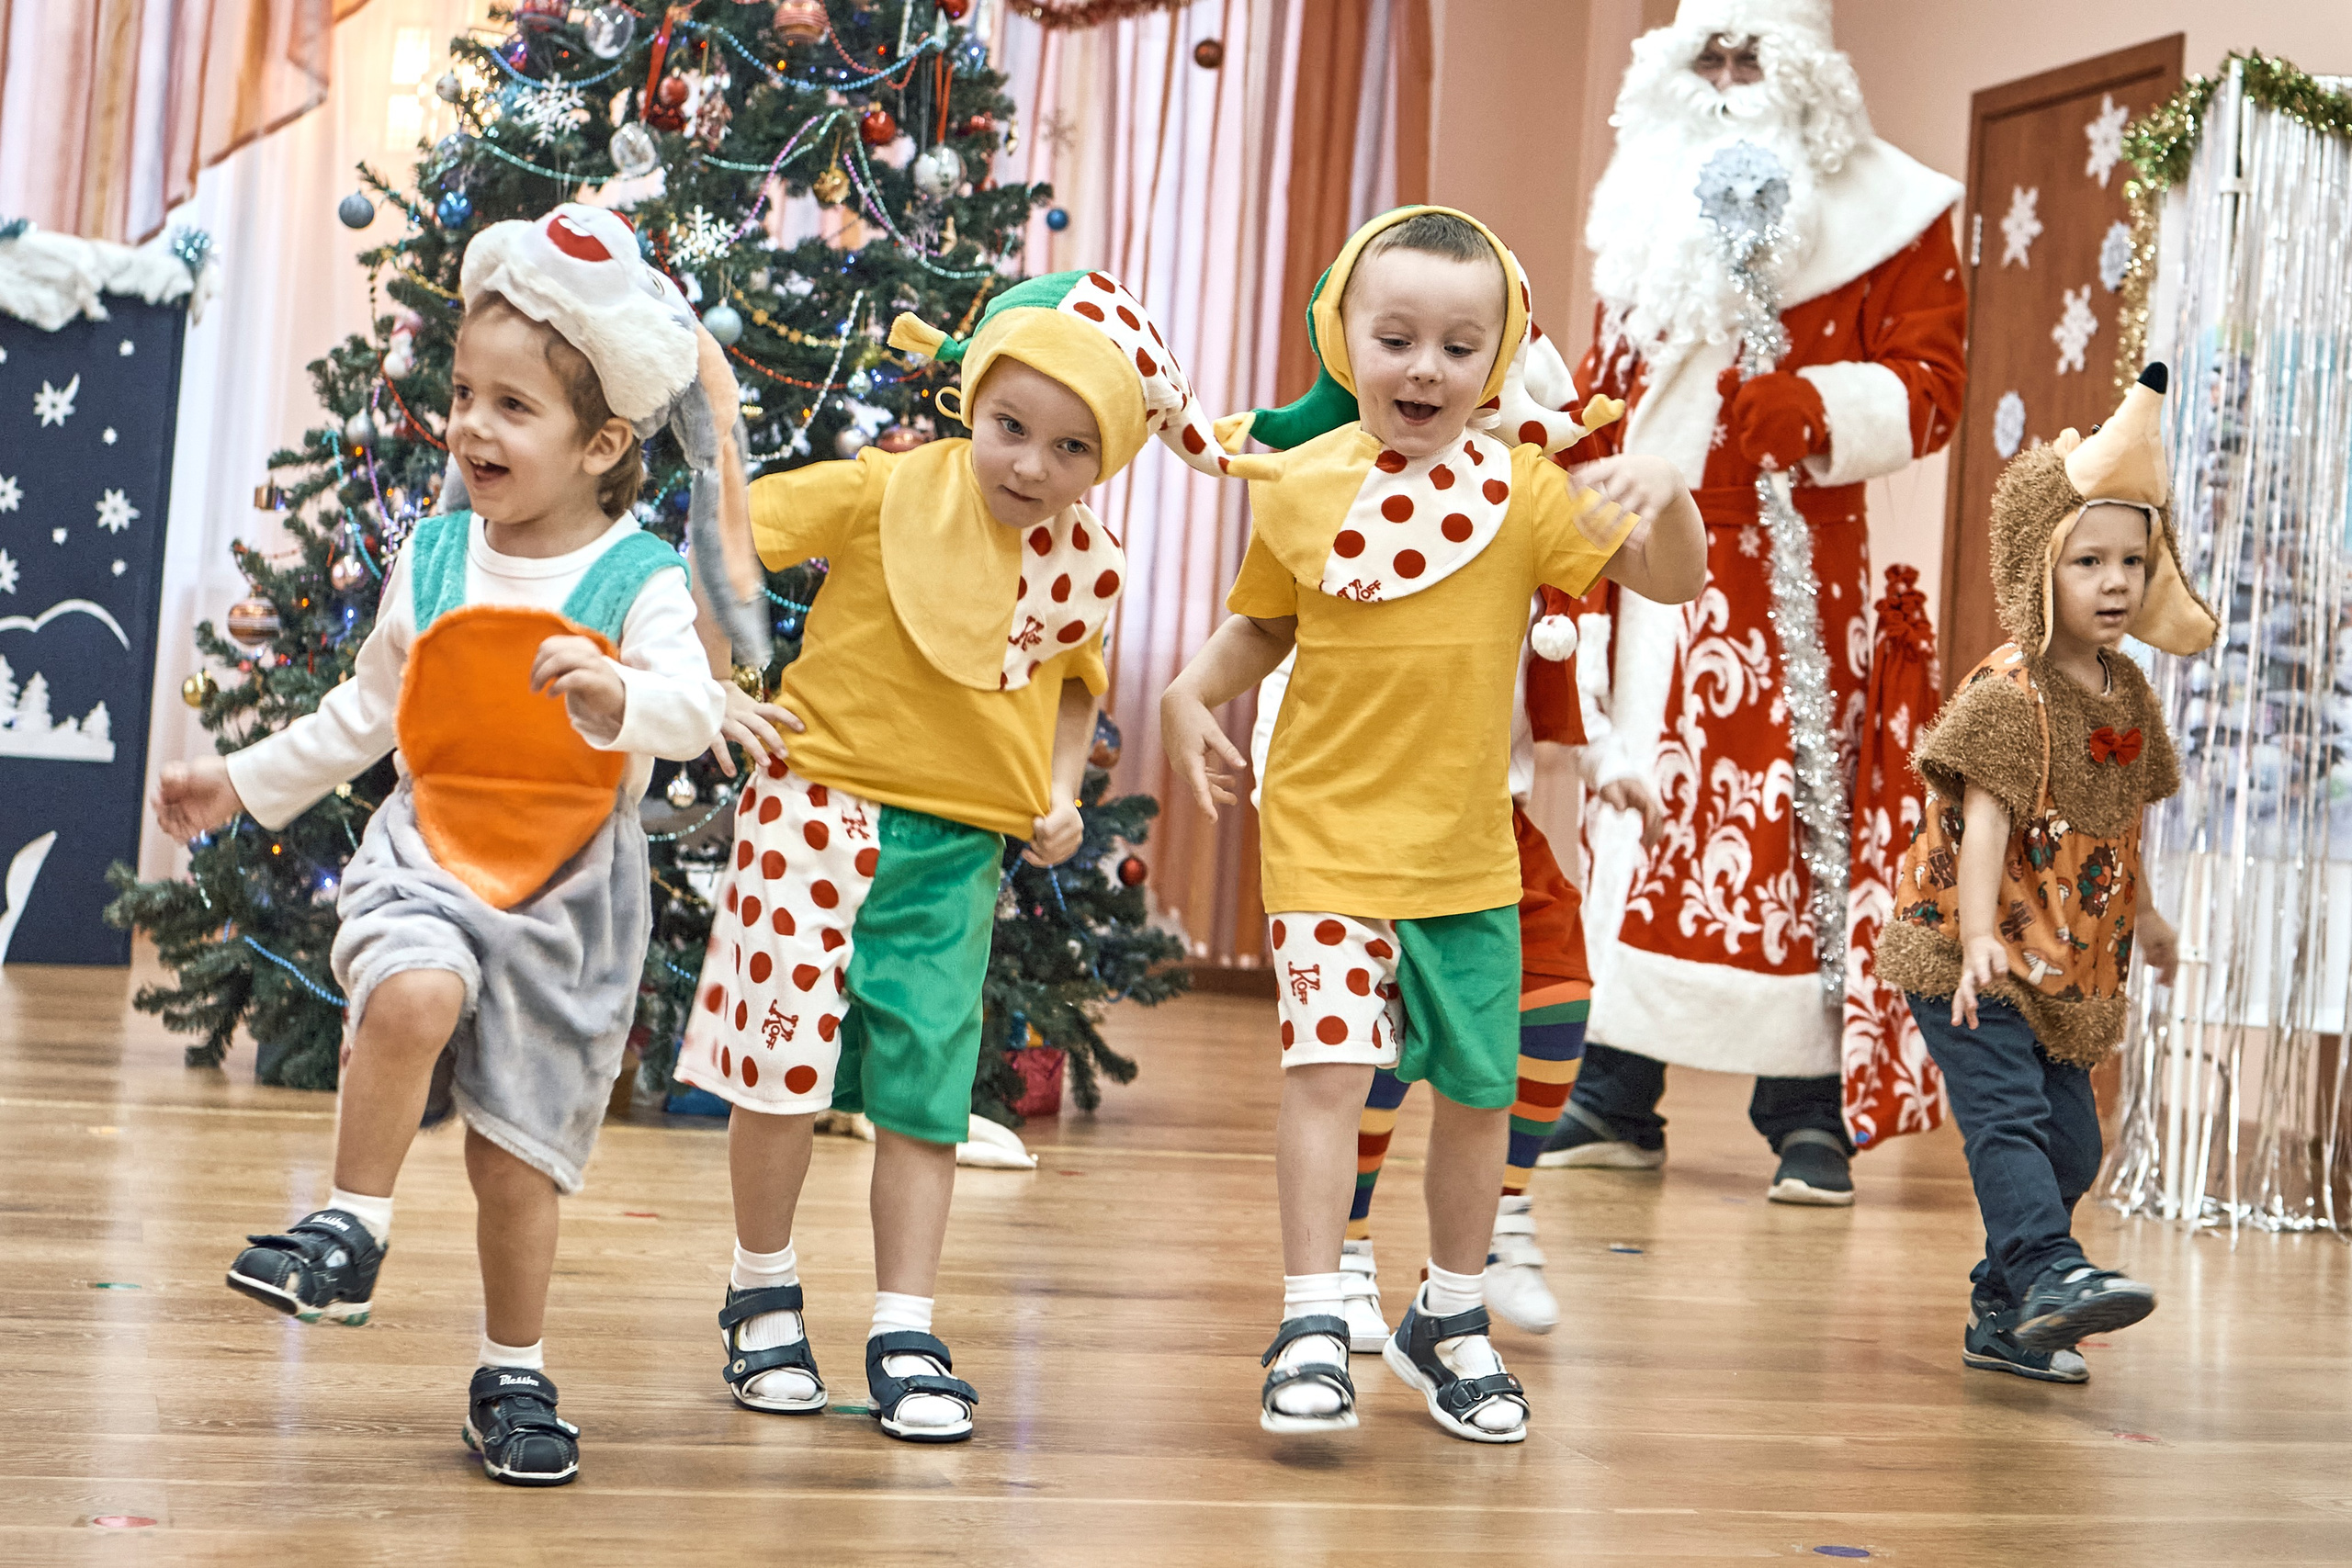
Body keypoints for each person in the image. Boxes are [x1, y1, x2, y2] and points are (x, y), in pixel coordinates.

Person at [149, 204, 729, 1485]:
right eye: (465, 394)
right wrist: (238, 783)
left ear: (603, 443)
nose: (470, 426)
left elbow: (694, 712)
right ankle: (349, 1227)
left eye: (512, 407)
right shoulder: (437, 555)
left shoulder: (639, 576)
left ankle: (512, 1371)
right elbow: (363, 715)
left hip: (573, 894)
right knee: (411, 990)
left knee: (515, 1158)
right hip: (429, 846)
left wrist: (622, 692)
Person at [1161, 206, 1703, 1443]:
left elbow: (1672, 579)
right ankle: (1311, 1315)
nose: (1426, 368)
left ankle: (1449, 1316)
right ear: (1344, 338)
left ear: (1496, 360)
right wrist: (1191, 690)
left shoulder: (1527, 494)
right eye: (1396, 337)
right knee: (1327, 1074)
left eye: (1461, 347)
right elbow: (1267, 620)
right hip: (1323, 840)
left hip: (1467, 854)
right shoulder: (1301, 483)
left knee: (1477, 1090)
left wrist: (1667, 490)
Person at [673, 269, 1229, 1445]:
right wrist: (714, 686)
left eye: (1071, 448)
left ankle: (905, 1324)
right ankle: (760, 1289)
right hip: (811, 806)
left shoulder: (1085, 563)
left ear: (1109, 460)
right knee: (778, 1066)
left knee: (926, 1091)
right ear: (971, 403)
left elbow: (1073, 687)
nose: (1031, 465)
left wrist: (1061, 791)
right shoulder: (879, 489)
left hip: (958, 846)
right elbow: (728, 534)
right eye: (1010, 426)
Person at [1543, 0, 1969, 1205]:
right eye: (1708, 55)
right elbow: (1609, 374)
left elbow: (1932, 383)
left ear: (1804, 70)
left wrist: (1821, 405)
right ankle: (1614, 1088)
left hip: (1789, 567)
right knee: (1636, 810)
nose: (1727, 78)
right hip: (1638, 560)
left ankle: (1804, 1109)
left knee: (1792, 825)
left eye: (1750, 56)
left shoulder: (1897, 210)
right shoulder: (1644, 190)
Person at [1876, 365, 2212, 1380]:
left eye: (2132, 563)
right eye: (2088, 562)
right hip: (1968, 951)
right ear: (2037, 565)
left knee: (2074, 1144)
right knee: (2009, 1119)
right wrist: (1979, 933)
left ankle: (2004, 1312)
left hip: (2066, 962)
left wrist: (2151, 918)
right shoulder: (2009, 691)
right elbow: (1985, 818)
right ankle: (2048, 1270)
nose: (2114, 584)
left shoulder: (2126, 693)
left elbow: (2116, 827)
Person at [1251, 591, 1594, 1346]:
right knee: (1364, 1027)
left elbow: (1567, 675)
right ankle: (1344, 1246)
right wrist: (1287, 810)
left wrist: (1615, 760)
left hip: (1485, 822)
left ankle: (1499, 1217)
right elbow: (1286, 652)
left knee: (1558, 988)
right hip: (1358, 816)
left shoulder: (1541, 550)